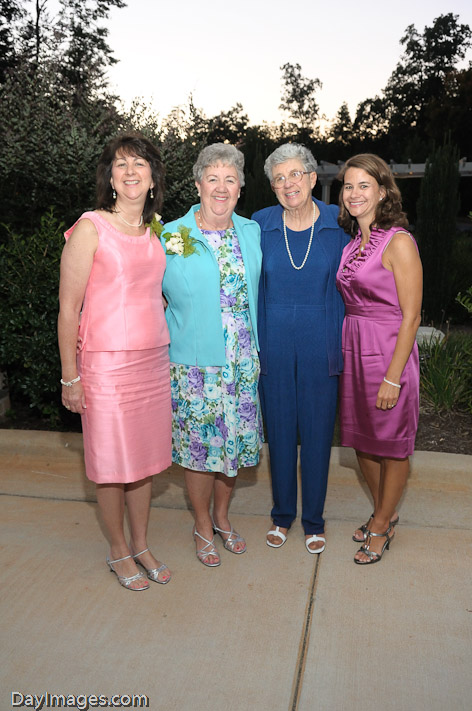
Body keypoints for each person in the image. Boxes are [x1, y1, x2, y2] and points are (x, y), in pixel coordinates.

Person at [58, 134, 172, 590]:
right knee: (111, 465)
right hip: (104, 365)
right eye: (120, 165)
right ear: (109, 177)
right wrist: (70, 377)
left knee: (143, 462)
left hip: (152, 360)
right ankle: (118, 550)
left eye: (139, 164)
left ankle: (141, 544)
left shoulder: (157, 229)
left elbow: (159, 292)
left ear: (152, 178)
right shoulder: (90, 227)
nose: (130, 172)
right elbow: (68, 308)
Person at [161, 143, 263, 567]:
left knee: (233, 446)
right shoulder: (170, 235)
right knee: (201, 451)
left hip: (242, 359)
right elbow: (151, 296)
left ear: (240, 187)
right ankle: (202, 524)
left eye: (230, 179)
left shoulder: (251, 231)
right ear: (198, 184)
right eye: (213, 178)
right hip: (195, 364)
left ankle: (222, 516)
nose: (221, 187)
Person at [252, 143, 349, 554]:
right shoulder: (259, 225)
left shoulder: (338, 223)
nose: (288, 183)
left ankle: (314, 521)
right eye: (279, 178)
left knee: (316, 436)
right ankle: (282, 515)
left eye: (295, 174)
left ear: (311, 178)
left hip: (321, 346)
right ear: (272, 187)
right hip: (273, 347)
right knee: (279, 434)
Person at [336, 153, 422, 565]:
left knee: (391, 446)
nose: (354, 193)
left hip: (389, 353)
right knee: (362, 443)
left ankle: (382, 525)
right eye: (348, 186)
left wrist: (393, 377)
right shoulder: (355, 242)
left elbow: (412, 316)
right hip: (355, 352)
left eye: (364, 186)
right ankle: (382, 512)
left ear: (383, 191)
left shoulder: (398, 242)